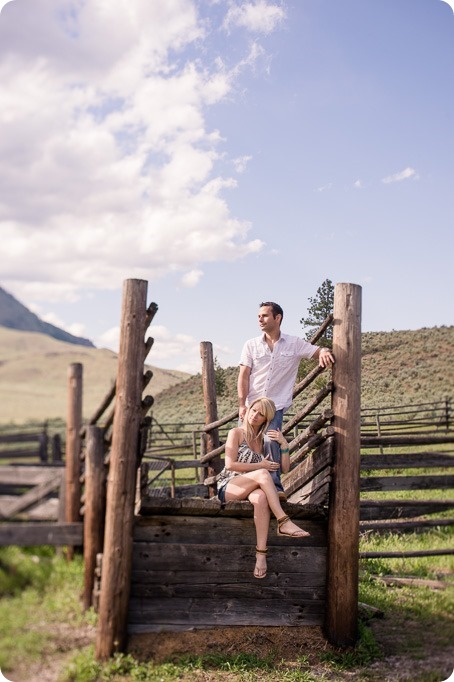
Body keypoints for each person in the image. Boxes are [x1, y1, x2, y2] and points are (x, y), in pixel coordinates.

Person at [238, 301, 335, 499]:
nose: (260, 319)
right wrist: (242, 404)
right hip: (252, 406)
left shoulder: (293, 343)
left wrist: (324, 351)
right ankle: (243, 488)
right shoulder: (251, 345)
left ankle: (275, 487)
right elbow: (243, 376)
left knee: (270, 440)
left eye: (264, 315)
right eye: (259, 316)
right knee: (245, 445)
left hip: (275, 407)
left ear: (277, 318)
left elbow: (316, 351)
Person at [217, 396, 310, 580]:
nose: (254, 416)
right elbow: (230, 464)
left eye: (260, 414)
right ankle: (283, 521)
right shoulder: (235, 433)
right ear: (248, 409)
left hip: (252, 487)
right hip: (230, 485)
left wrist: (284, 444)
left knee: (260, 498)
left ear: (266, 419)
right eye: (253, 410)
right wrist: (261, 466)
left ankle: (261, 555)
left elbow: (284, 468)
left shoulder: (264, 441)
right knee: (262, 474)